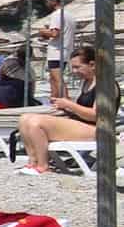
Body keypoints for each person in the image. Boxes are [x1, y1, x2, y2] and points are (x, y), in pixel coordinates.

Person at [17, 45, 104, 175]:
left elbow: (96, 115)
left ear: (92, 64)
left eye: (77, 67)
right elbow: (82, 110)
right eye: (72, 67)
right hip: (82, 124)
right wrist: (65, 107)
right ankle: (33, 161)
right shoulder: (87, 82)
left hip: (97, 129)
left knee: (37, 123)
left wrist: (69, 105)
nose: (74, 71)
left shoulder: (104, 85)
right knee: (24, 119)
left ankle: (43, 165)